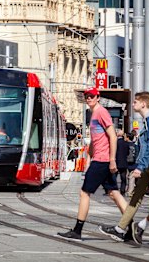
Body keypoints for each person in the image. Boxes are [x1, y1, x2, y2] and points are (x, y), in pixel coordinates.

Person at [58, 87, 127, 240]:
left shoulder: (101, 112)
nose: (89, 98)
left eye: (91, 96)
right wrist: (89, 157)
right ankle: (131, 225)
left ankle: (77, 230)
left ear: (98, 97)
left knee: (84, 193)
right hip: (99, 159)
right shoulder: (93, 114)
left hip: (102, 160)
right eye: (87, 96)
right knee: (113, 193)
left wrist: (112, 159)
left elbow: (113, 136)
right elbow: (95, 142)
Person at [99, 91, 149, 243]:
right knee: (136, 197)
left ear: (143, 104)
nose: (133, 104)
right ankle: (121, 229)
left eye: (135, 102)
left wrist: (140, 167)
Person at [115, 129, 130, 195]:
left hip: (116, 162)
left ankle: (113, 189)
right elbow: (127, 153)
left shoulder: (115, 143)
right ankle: (122, 190)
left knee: (113, 177)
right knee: (123, 178)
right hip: (124, 162)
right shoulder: (126, 143)